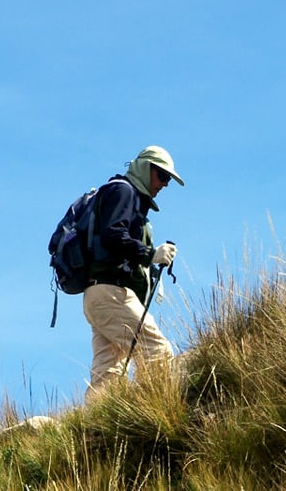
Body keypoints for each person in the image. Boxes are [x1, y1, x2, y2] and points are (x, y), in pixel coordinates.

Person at [83, 145, 183, 397]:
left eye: (168, 179)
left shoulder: (117, 193)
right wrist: (151, 254)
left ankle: (95, 431)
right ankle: (155, 412)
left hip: (97, 295)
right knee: (157, 352)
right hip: (112, 293)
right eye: (162, 176)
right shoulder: (123, 191)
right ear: (145, 168)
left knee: (108, 372)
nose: (165, 184)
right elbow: (113, 235)